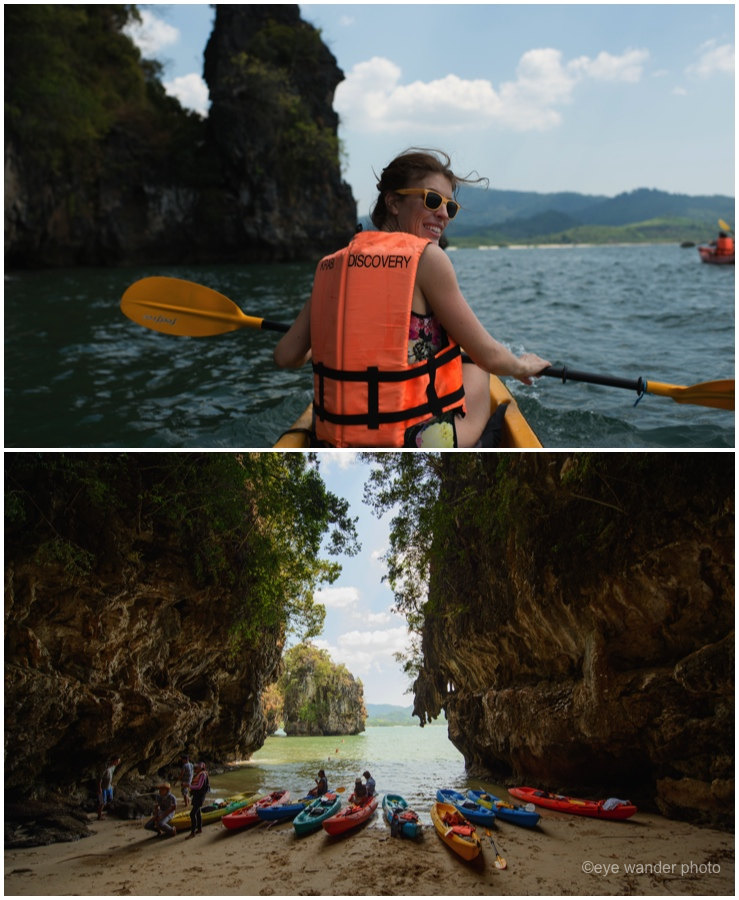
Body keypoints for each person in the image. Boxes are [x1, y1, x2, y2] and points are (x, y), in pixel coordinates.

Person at [274, 148, 550, 448]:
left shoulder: (333, 263)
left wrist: (323, 348)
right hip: (410, 443)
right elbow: (490, 355)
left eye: (450, 207)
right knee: (476, 367)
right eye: (432, 200)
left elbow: (286, 356)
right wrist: (522, 366)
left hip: (333, 439)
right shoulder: (428, 259)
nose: (443, 214)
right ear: (393, 202)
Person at [187, 762, 209, 838]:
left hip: (199, 797)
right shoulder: (201, 774)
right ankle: (199, 829)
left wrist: (189, 786)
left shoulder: (202, 774)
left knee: (192, 814)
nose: (195, 769)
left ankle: (192, 833)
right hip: (197, 796)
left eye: (196, 768)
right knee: (198, 813)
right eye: (195, 768)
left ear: (201, 768)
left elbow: (199, 786)